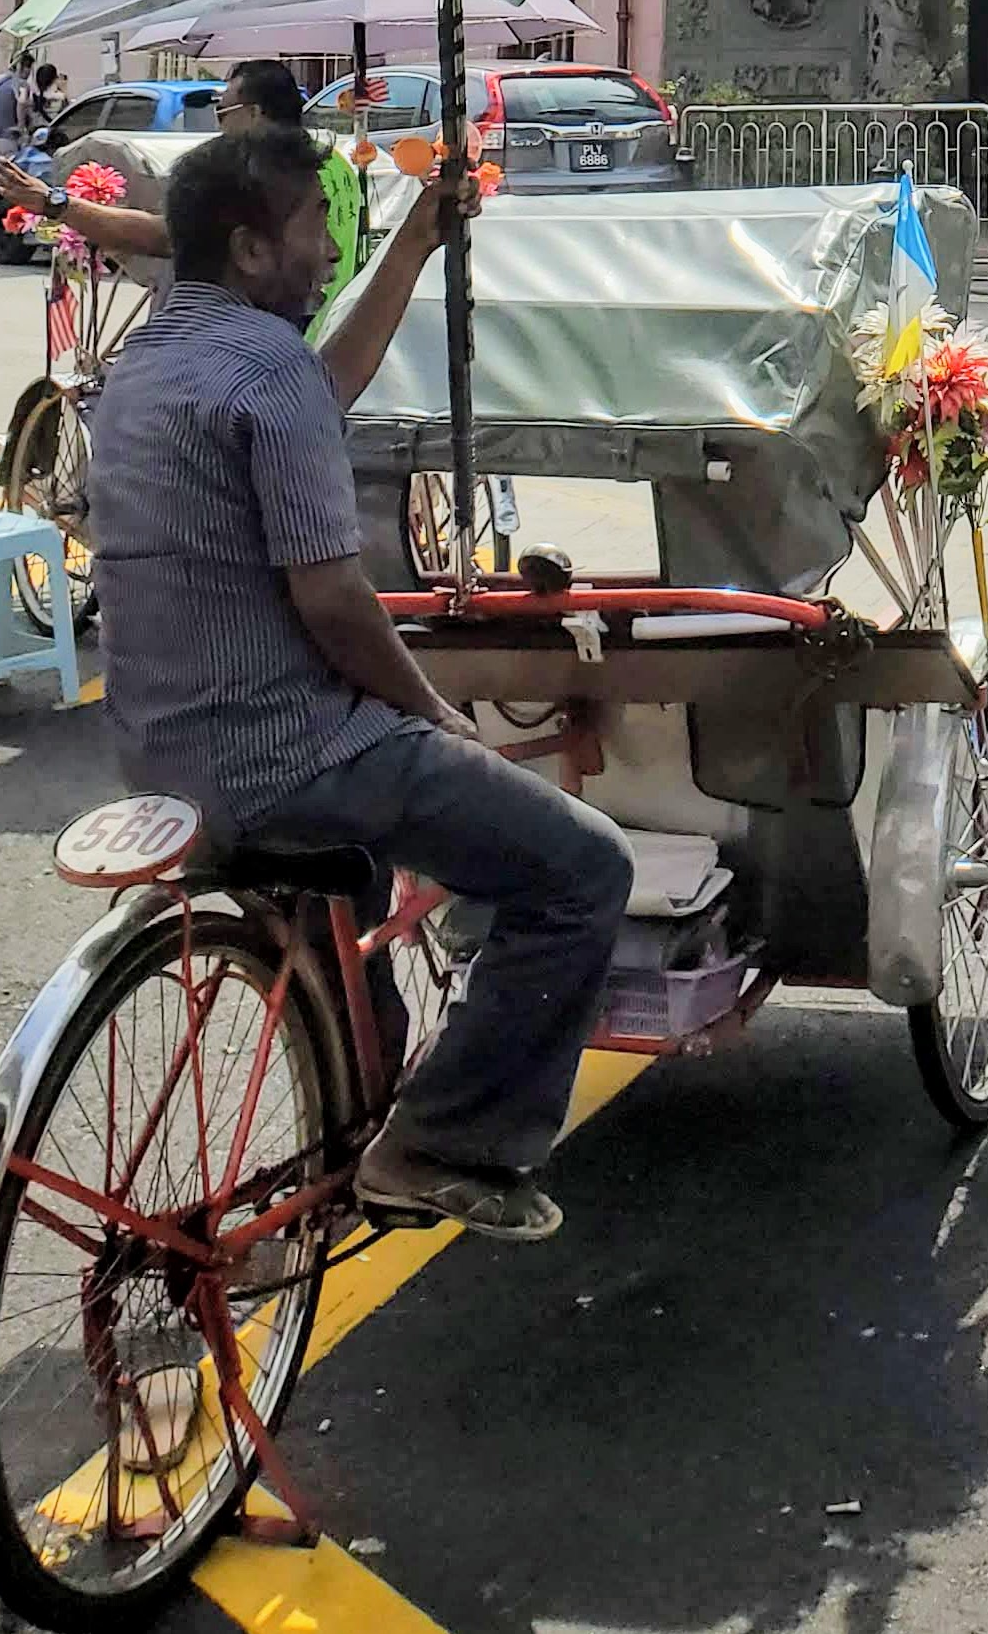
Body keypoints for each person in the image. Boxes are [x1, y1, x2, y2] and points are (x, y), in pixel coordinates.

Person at [88, 123, 629, 1241]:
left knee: (359, 895)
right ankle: (445, 1145)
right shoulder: (266, 371)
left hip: (163, 754)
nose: (331, 249)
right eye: (317, 228)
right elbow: (335, 603)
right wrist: (434, 715)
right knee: (581, 867)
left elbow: (320, 387)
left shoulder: (149, 363)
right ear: (249, 249)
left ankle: (360, 1124)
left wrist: (413, 248)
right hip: (290, 760)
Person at [0, 59, 365, 336]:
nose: (218, 125)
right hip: (327, 336)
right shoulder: (339, 167)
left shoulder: (258, 172)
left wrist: (55, 204)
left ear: (253, 114)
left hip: (262, 343)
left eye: (223, 113)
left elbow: (162, 236)